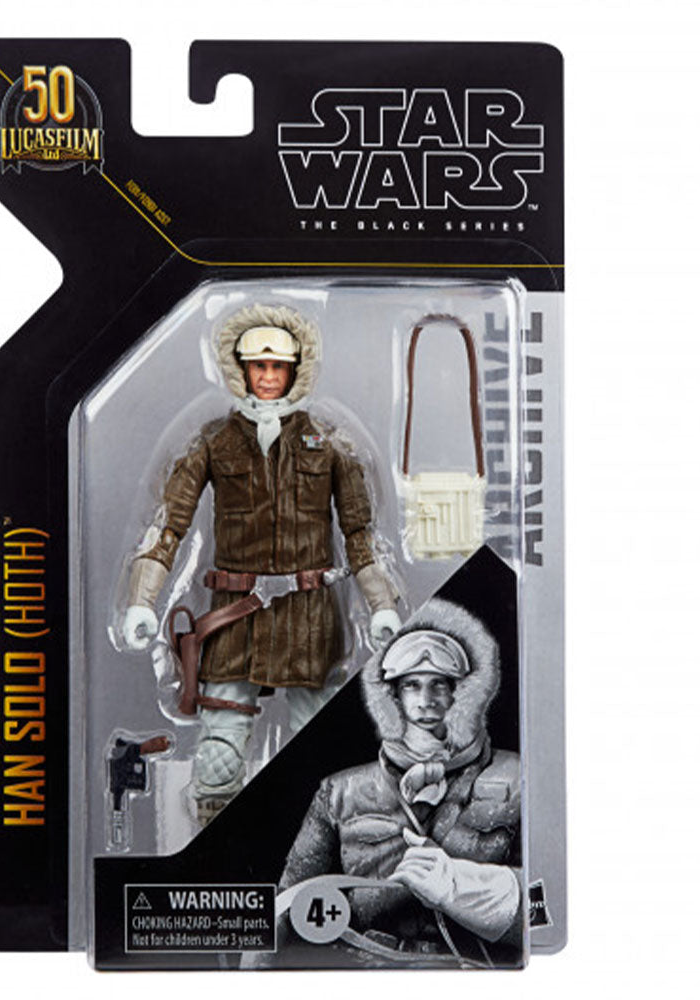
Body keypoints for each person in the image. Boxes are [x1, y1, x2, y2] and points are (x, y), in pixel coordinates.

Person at [121, 303, 401, 820]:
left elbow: (362, 535)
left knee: (323, 758)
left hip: (309, 621)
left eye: (277, 367)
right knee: (219, 757)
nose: (268, 377)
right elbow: (167, 526)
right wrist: (142, 600)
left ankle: (319, 844)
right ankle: (216, 846)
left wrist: (381, 606)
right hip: (235, 619)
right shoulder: (214, 441)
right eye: (258, 366)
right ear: (240, 368)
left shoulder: (329, 443)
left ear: (296, 369)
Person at [278, 598, 522, 966]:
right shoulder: (341, 792)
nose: (426, 700)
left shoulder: (516, 778)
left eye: (440, 684)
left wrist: (463, 886)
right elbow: (287, 906)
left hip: (476, 971)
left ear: (462, 692)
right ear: (392, 695)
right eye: (412, 685)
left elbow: (547, 903)